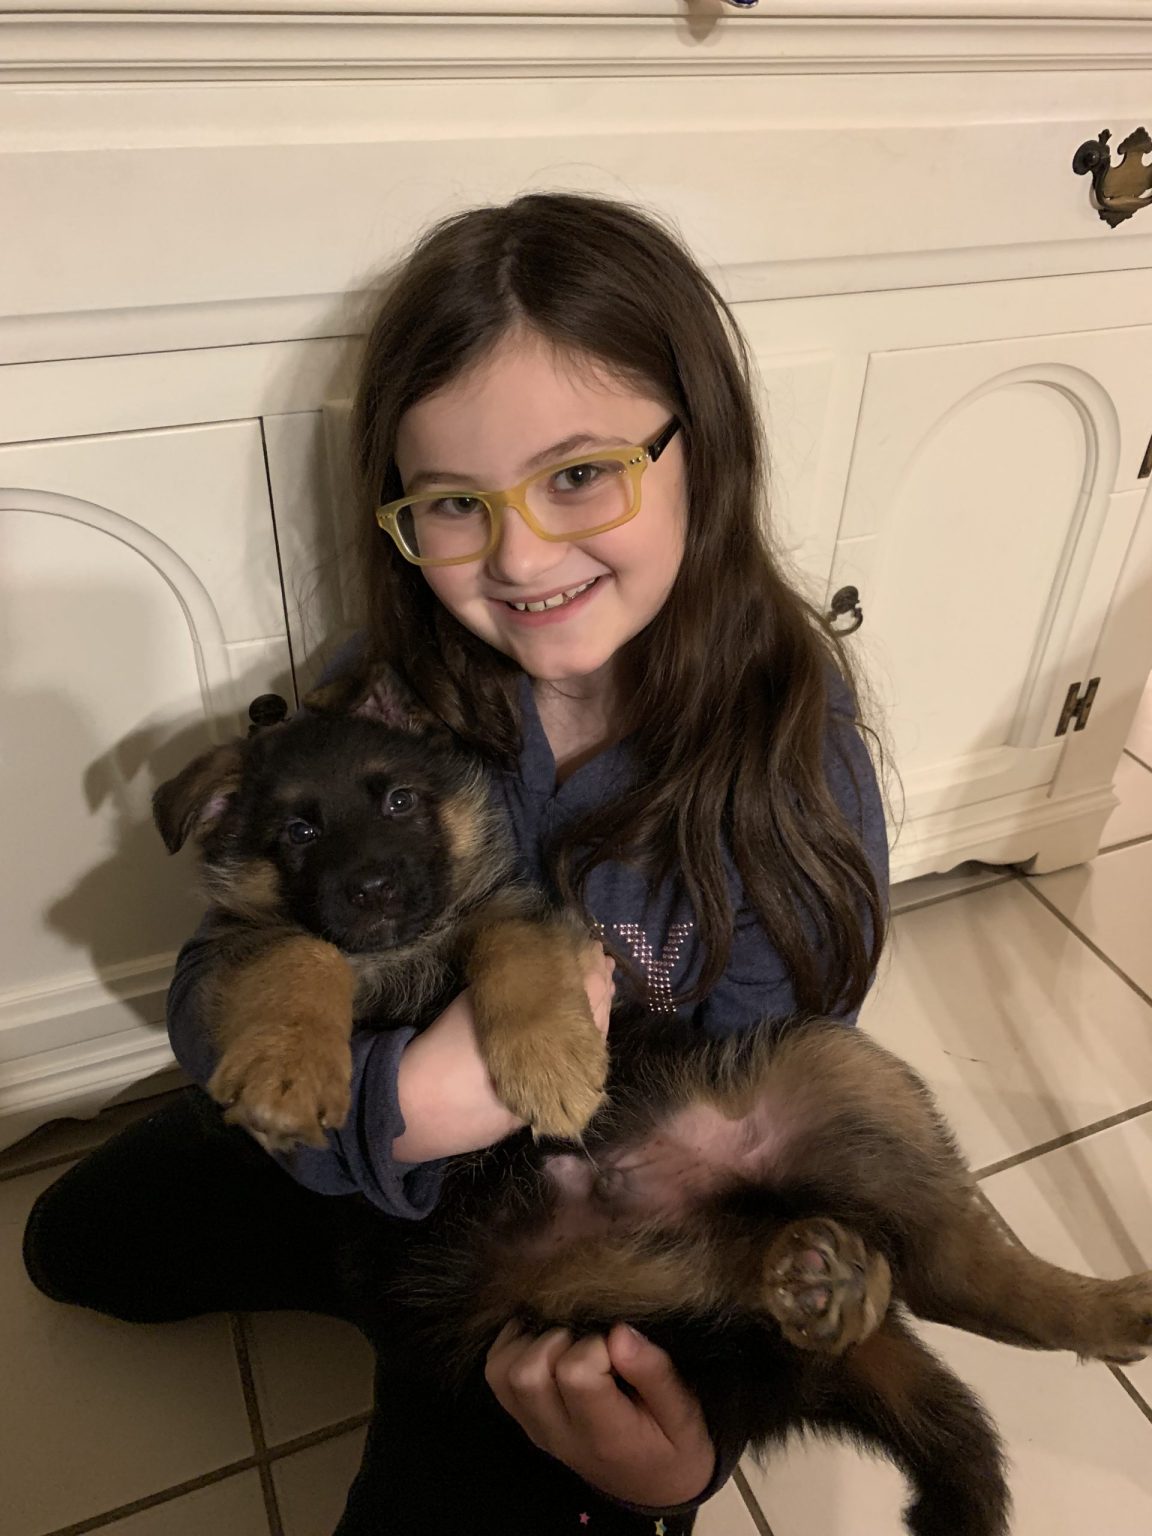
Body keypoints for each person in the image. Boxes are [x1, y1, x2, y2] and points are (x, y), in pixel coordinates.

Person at [23, 191, 890, 1533]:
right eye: (450, 502)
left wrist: (694, 1450)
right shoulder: (382, 696)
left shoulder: (793, 769)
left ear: (701, 453)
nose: (522, 551)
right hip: (379, 1120)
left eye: (583, 473)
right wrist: (390, 1117)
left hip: (554, 1247)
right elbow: (219, 973)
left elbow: (775, 1154)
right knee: (70, 1250)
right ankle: (359, 1253)